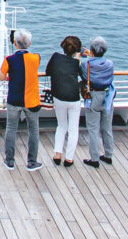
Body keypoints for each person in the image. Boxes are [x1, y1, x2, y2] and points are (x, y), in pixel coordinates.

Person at [0, 28, 43, 171]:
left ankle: (10, 161)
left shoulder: (9, 60)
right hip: (32, 101)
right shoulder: (36, 58)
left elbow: (2, 77)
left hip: (14, 99)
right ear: (29, 44)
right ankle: (32, 162)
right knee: (33, 130)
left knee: (11, 129)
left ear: (14, 43)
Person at [45, 36, 88, 166]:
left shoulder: (55, 57)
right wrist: (82, 57)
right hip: (73, 97)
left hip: (59, 96)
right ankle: (69, 158)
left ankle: (57, 154)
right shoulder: (76, 63)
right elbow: (84, 76)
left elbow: (48, 71)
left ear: (63, 46)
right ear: (77, 50)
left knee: (61, 125)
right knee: (73, 128)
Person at [81, 36, 115, 168]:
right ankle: (108, 155)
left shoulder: (86, 64)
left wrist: (88, 56)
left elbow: (83, 74)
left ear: (91, 50)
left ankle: (94, 158)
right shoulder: (110, 64)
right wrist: (93, 55)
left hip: (94, 96)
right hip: (108, 96)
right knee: (107, 128)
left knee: (93, 129)